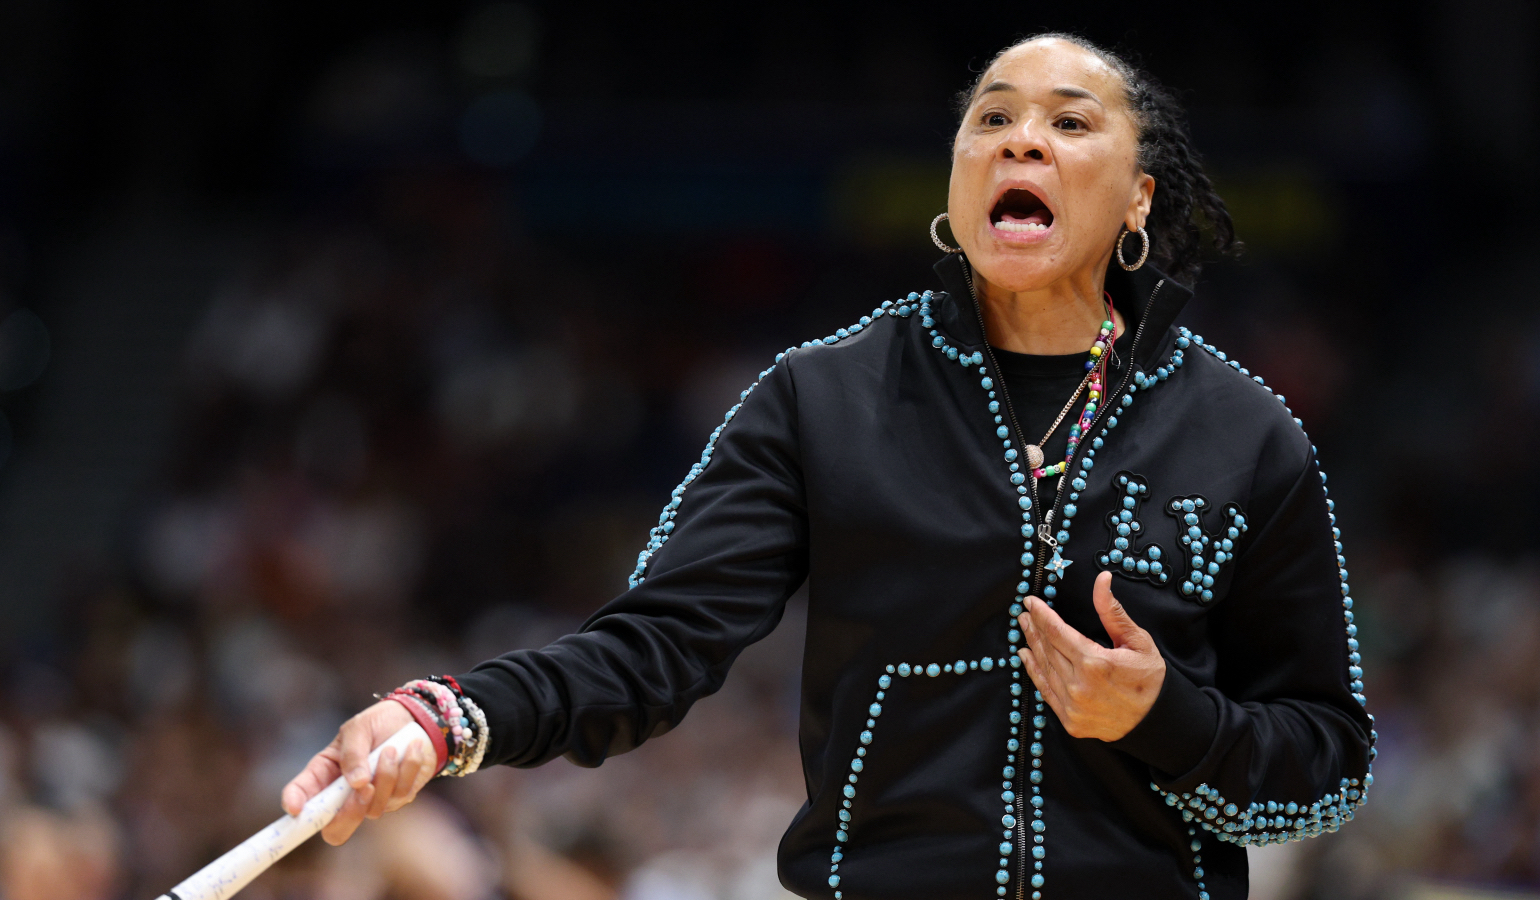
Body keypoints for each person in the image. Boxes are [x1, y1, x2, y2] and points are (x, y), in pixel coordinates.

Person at [281, 33, 1374, 900]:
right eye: (990, 119)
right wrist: (449, 716)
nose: (1019, 142)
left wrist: (1165, 721)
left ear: (1138, 196)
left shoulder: (1248, 436)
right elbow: (654, 647)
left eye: (1070, 122)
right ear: (956, 183)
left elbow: (1329, 767)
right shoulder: (823, 397)